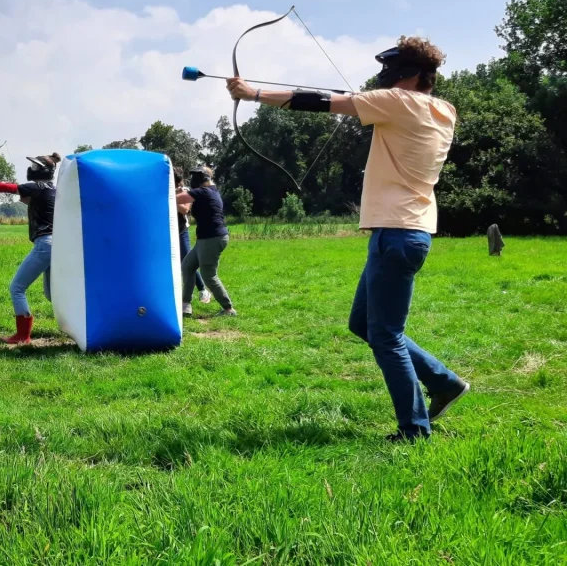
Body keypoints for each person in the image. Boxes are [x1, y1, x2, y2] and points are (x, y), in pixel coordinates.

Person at [227, 35, 469, 442]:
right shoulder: (444, 109)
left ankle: (414, 429)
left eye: (391, 73)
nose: (384, 79)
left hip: (396, 233)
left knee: (386, 335)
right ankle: (444, 383)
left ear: (408, 74)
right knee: (364, 323)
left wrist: (253, 94)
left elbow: (322, 102)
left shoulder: (397, 101)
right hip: (409, 231)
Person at [0, 153, 61, 344]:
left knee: (17, 288)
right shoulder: (54, 189)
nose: (30, 170)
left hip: (45, 245)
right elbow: (32, 201)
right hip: (58, 246)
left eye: (34, 167)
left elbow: (6, 187)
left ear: (39, 171)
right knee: (52, 294)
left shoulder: (37, 186)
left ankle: (22, 336)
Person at [175, 166, 237, 318]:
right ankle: (185, 305)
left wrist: (172, 191)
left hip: (212, 238)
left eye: (195, 178)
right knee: (188, 266)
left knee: (209, 275)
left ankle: (228, 309)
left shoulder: (202, 192)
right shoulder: (211, 190)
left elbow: (176, 200)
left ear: (202, 179)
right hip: (208, 238)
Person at [174, 167, 212, 304]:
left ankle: (203, 290)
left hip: (181, 231)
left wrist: (171, 198)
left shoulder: (185, 192)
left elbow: (185, 210)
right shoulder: (168, 191)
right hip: (166, 231)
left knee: (187, 262)